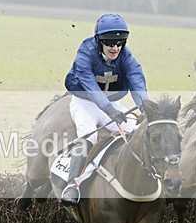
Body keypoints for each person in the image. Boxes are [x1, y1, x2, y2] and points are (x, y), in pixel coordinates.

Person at [59, 13, 149, 205]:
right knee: (88, 136)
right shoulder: (85, 52)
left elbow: (137, 80)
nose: (115, 47)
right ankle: (72, 185)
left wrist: (145, 110)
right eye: (109, 42)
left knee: (137, 133)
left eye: (120, 42)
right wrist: (108, 109)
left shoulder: (126, 56)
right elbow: (90, 86)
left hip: (111, 104)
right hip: (84, 103)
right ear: (99, 41)